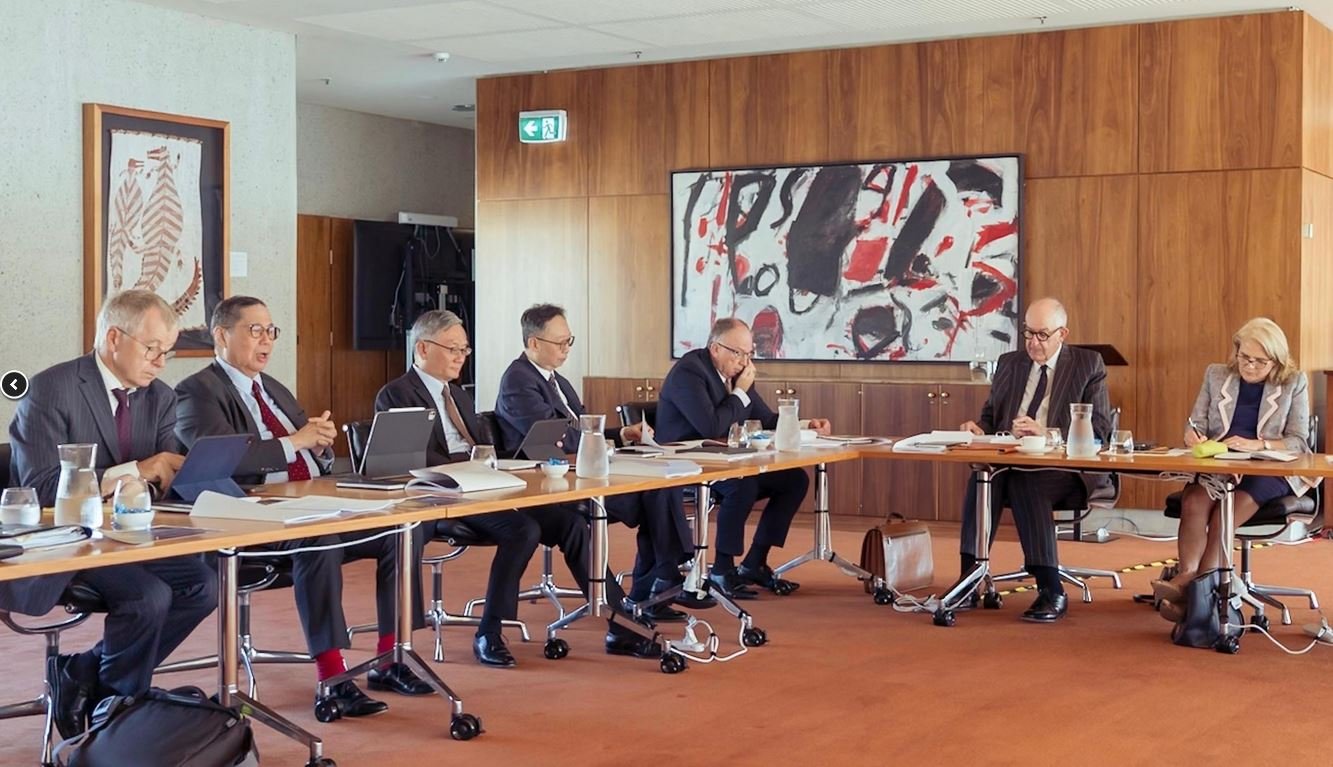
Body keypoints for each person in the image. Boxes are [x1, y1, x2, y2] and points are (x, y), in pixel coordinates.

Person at [175, 295, 424, 715]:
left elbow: (307, 452)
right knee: (320, 538)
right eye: (255, 330)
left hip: (307, 504)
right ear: (221, 335)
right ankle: (333, 675)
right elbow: (222, 458)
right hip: (248, 520)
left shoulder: (273, 388)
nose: (266, 341)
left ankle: (390, 657)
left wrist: (322, 446)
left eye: (271, 331)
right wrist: (296, 442)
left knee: (401, 528)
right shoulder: (196, 392)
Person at [377, 309, 663, 666]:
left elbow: (484, 447)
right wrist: (470, 470)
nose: (460, 358)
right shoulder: (396, 394)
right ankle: (490, 631)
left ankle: (619, 622)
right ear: (422, 349)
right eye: (453, 349)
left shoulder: (460, 396)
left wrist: (494, 468)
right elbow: (408, 460)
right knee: (523, 530)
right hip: (441, 497)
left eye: (465, 350)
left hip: (486, 487)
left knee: (572, 523)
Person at [1, 289, 216, 738]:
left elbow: (160, 476)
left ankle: (91, 679)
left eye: (167, 352)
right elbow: (41, 489)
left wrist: (191, 474)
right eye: (152, 348)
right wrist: (137, 470)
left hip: (130, 535)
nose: (161, 361)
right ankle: (119, 713)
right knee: (147, 597)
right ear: (115, 338)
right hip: (64, 540)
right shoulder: (51, 389)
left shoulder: (159, 396)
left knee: (203, 584)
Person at [494, 304, 707, 616]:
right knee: (653, 496)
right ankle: (660, 580)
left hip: (582, 469)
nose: (566, 349)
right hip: (549, 481)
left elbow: (581, 430)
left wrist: (621, 433)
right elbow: (553, 438)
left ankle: (656, 584)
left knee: (660, 485)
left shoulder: (558, 381)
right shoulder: (518, 380)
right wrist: (598, 441)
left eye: (570, 341)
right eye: (560, 343)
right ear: (534, 343)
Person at [957, 297, 1113, 623]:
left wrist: (1047, 433)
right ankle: (968, 579)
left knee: (1027, 479)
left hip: (1068, 469)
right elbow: (990, 418)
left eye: (1042, 335)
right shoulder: (1010, 363)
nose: (1033, 343)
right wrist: (978, 428)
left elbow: (1099, 430)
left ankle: (1050, 588)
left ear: (1062, 333)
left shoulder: (1088, 365)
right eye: (1028, 333)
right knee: (984, 477)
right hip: (1011, 460)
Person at [655, 317, 831, 599]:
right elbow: (711, 426)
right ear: (715, 348)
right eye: (737, 353)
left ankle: (754, 563)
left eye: (749, 354)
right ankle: (722, 569)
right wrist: (739, 391)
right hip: (686, 464)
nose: (744, 361)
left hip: (724, 461)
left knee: (794, 480)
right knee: (742, 484)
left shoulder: (736, 374)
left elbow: (766, 418)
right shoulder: (690, 372)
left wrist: (805, 423)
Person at [1152, 318, 1315, 621]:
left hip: (1268, 470)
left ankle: (1193, 590)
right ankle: (1189, 577)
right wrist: (1192, 435)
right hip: (1221, 464)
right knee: (1194, 501)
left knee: (1226, 513)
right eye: (1244, 357)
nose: (1250, 366)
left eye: (1259, 361)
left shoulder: (1294, 381)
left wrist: (1257, 445)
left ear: (1276, 360)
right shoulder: (1216, 375)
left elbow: (1297, 441)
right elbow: (1195, 424)